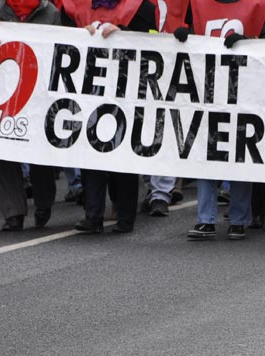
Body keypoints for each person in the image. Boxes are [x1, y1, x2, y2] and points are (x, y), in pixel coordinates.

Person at [176, 0, 265, 240]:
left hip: (245, 92)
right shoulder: (197, 3)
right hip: (208, 90)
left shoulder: (260, 5)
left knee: (240, 155)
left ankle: (239, 219)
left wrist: (248, 40)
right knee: (207, 154)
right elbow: (189, 28)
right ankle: (205, 219)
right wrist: (183, 34)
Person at [60, 0, 157, 234]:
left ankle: (125, 217)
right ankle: (92, 216)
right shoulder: (76, 6)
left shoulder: (140, 5)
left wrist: (126, 35)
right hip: (91, 93)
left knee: (123, 157)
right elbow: (57, 39)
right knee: (92, 156)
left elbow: (154, 39)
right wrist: (78, 36)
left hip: (127, 92)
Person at [0, 0, 59, 232]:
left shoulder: (50, 12)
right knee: (4, 154)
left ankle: (43, 202)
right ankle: (13, 212)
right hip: (4, 94)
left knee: (39, 154)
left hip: (38, 95)